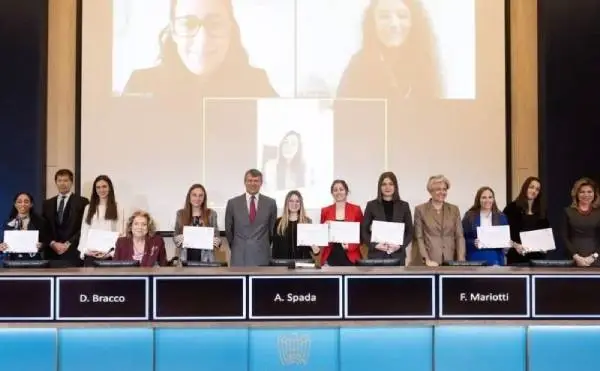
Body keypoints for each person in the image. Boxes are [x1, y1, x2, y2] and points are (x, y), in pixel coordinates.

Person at [123, 0, 276, 99]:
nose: (202, 41)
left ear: (230, 30)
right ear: (174, 31)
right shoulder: (141, 87)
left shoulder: (256, 86)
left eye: (214, 24)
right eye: (188, 25)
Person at [337, 0, 440, 99]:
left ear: (414, 22)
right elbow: (344, 112)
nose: (394, 24)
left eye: (402, 16)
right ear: (373, 23)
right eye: (384, 16)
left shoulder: (426, 64)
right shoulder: (357, 66)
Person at [225, 169, 277, 266]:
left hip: (262, 256)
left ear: (261, 183)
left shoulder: (270, 203)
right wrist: (238, 246)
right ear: (245, 182)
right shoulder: (233, 203)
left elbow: (271, 230)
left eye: (256, 181)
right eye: (250, 180)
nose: (253, 183)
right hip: (239, 257)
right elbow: (229, 231)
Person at [413, 175, 465, 266]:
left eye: (444, 189)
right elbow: (419, 237)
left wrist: (461, 259)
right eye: (438, 189)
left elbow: (459, 236)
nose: (442, 192)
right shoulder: (420, 210)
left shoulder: (454, 209)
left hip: (451, 260)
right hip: (429, 262)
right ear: (430, 191)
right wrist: (426, 260)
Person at [361, 172, 412, 264]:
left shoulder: (404, 206)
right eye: (384, 184)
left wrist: (400, 246)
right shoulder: (371, 205)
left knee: (398, 279)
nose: (387, 187)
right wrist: (375, 245)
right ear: (379, 187)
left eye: (391, 184)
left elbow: (410, 231)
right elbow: (364, 230)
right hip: (376, 255)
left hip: (397, 255)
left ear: (395, 186)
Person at [42, 169, 89, 267]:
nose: (62, 183)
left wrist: (68, 244)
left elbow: (84, 227)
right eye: (59, 180)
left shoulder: (82, 202)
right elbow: (43, 227)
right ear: (56, 182)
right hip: (52, 253)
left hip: (73, 252)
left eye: (66, 180)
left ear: (71, 182)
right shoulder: (47, 203)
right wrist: (52, 243)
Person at [78, 175, 125, 266]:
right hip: (91, 254)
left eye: (104, 186)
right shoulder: (88, 208)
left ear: (110, 188)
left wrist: (111, 253)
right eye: (98, 187)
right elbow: (84, 231)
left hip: (110, 256)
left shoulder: (118, 207)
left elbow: (121, 233)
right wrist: (85, 251)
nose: (101, 190)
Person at [503, 176, 550, 265]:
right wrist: (515, 245)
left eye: (537, 189)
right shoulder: (511, 208)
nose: (534, 191)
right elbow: (503, 234)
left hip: (537, 258)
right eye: (531, 187)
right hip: (516, 257)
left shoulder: (541, 211)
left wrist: (546, 246)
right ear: (525, 188)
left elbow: (545, 234)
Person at [173, 184, 221, 263]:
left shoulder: (211, 214)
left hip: (207, 259)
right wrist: (178, 239)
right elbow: (175, 236)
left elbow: (217, 237)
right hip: (185, 257)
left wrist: (217, 241)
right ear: (189, 197)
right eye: (194, 195)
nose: (197, 198)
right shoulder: (181, 213)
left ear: (204, 198)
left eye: (200, 195)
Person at [320, 180, 364, 266]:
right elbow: (322, 237)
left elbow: (362, 234)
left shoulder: (356, 210)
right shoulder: (325, 211)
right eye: (335, 190)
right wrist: (324, 227)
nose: (338, 192)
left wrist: (350, 246)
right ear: (332, 193)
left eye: (341, 189)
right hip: (331, 256)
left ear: (346, 191)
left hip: (351, 256)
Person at [462, 186, 508, 266]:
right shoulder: (469, 216)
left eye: (490, 197)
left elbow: (505, 240)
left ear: (493, 199)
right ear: (478, 199)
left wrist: (507, 245)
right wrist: (473, 242)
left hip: (496, 258)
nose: (487, 200)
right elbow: (462, 238)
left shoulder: (501, 217)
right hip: (475, 256)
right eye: (484, 197)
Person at [271, 190, 320, 262]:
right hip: (283, 265)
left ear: (301, 204)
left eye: (297, 201)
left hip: (303, 265)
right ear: (286, 203)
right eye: (291, 201)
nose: (294, 204)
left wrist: (315, 249)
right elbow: (275, 248)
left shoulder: (307, 222)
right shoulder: (278, 223)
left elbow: (314, 251)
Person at [561, 177, 600, 267]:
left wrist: (593, 257)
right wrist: (577, 257)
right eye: (582, 192)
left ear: (595, 194)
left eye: (589, 192)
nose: (586, 195)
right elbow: (564, 236)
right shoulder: (568, 211)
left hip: (596, 259)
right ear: (576, 194)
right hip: (573, 259)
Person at [0, 192, 48, 262]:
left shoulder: (40, 222)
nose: (23, 204)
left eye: (26, 202)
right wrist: (1, 246)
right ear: (15, 204)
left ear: (31, 204)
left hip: (33, 262)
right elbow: (1, 242)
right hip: (11, 262)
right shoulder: (7, 223)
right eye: (19, 202)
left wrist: (41, 245)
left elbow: (46, 241)